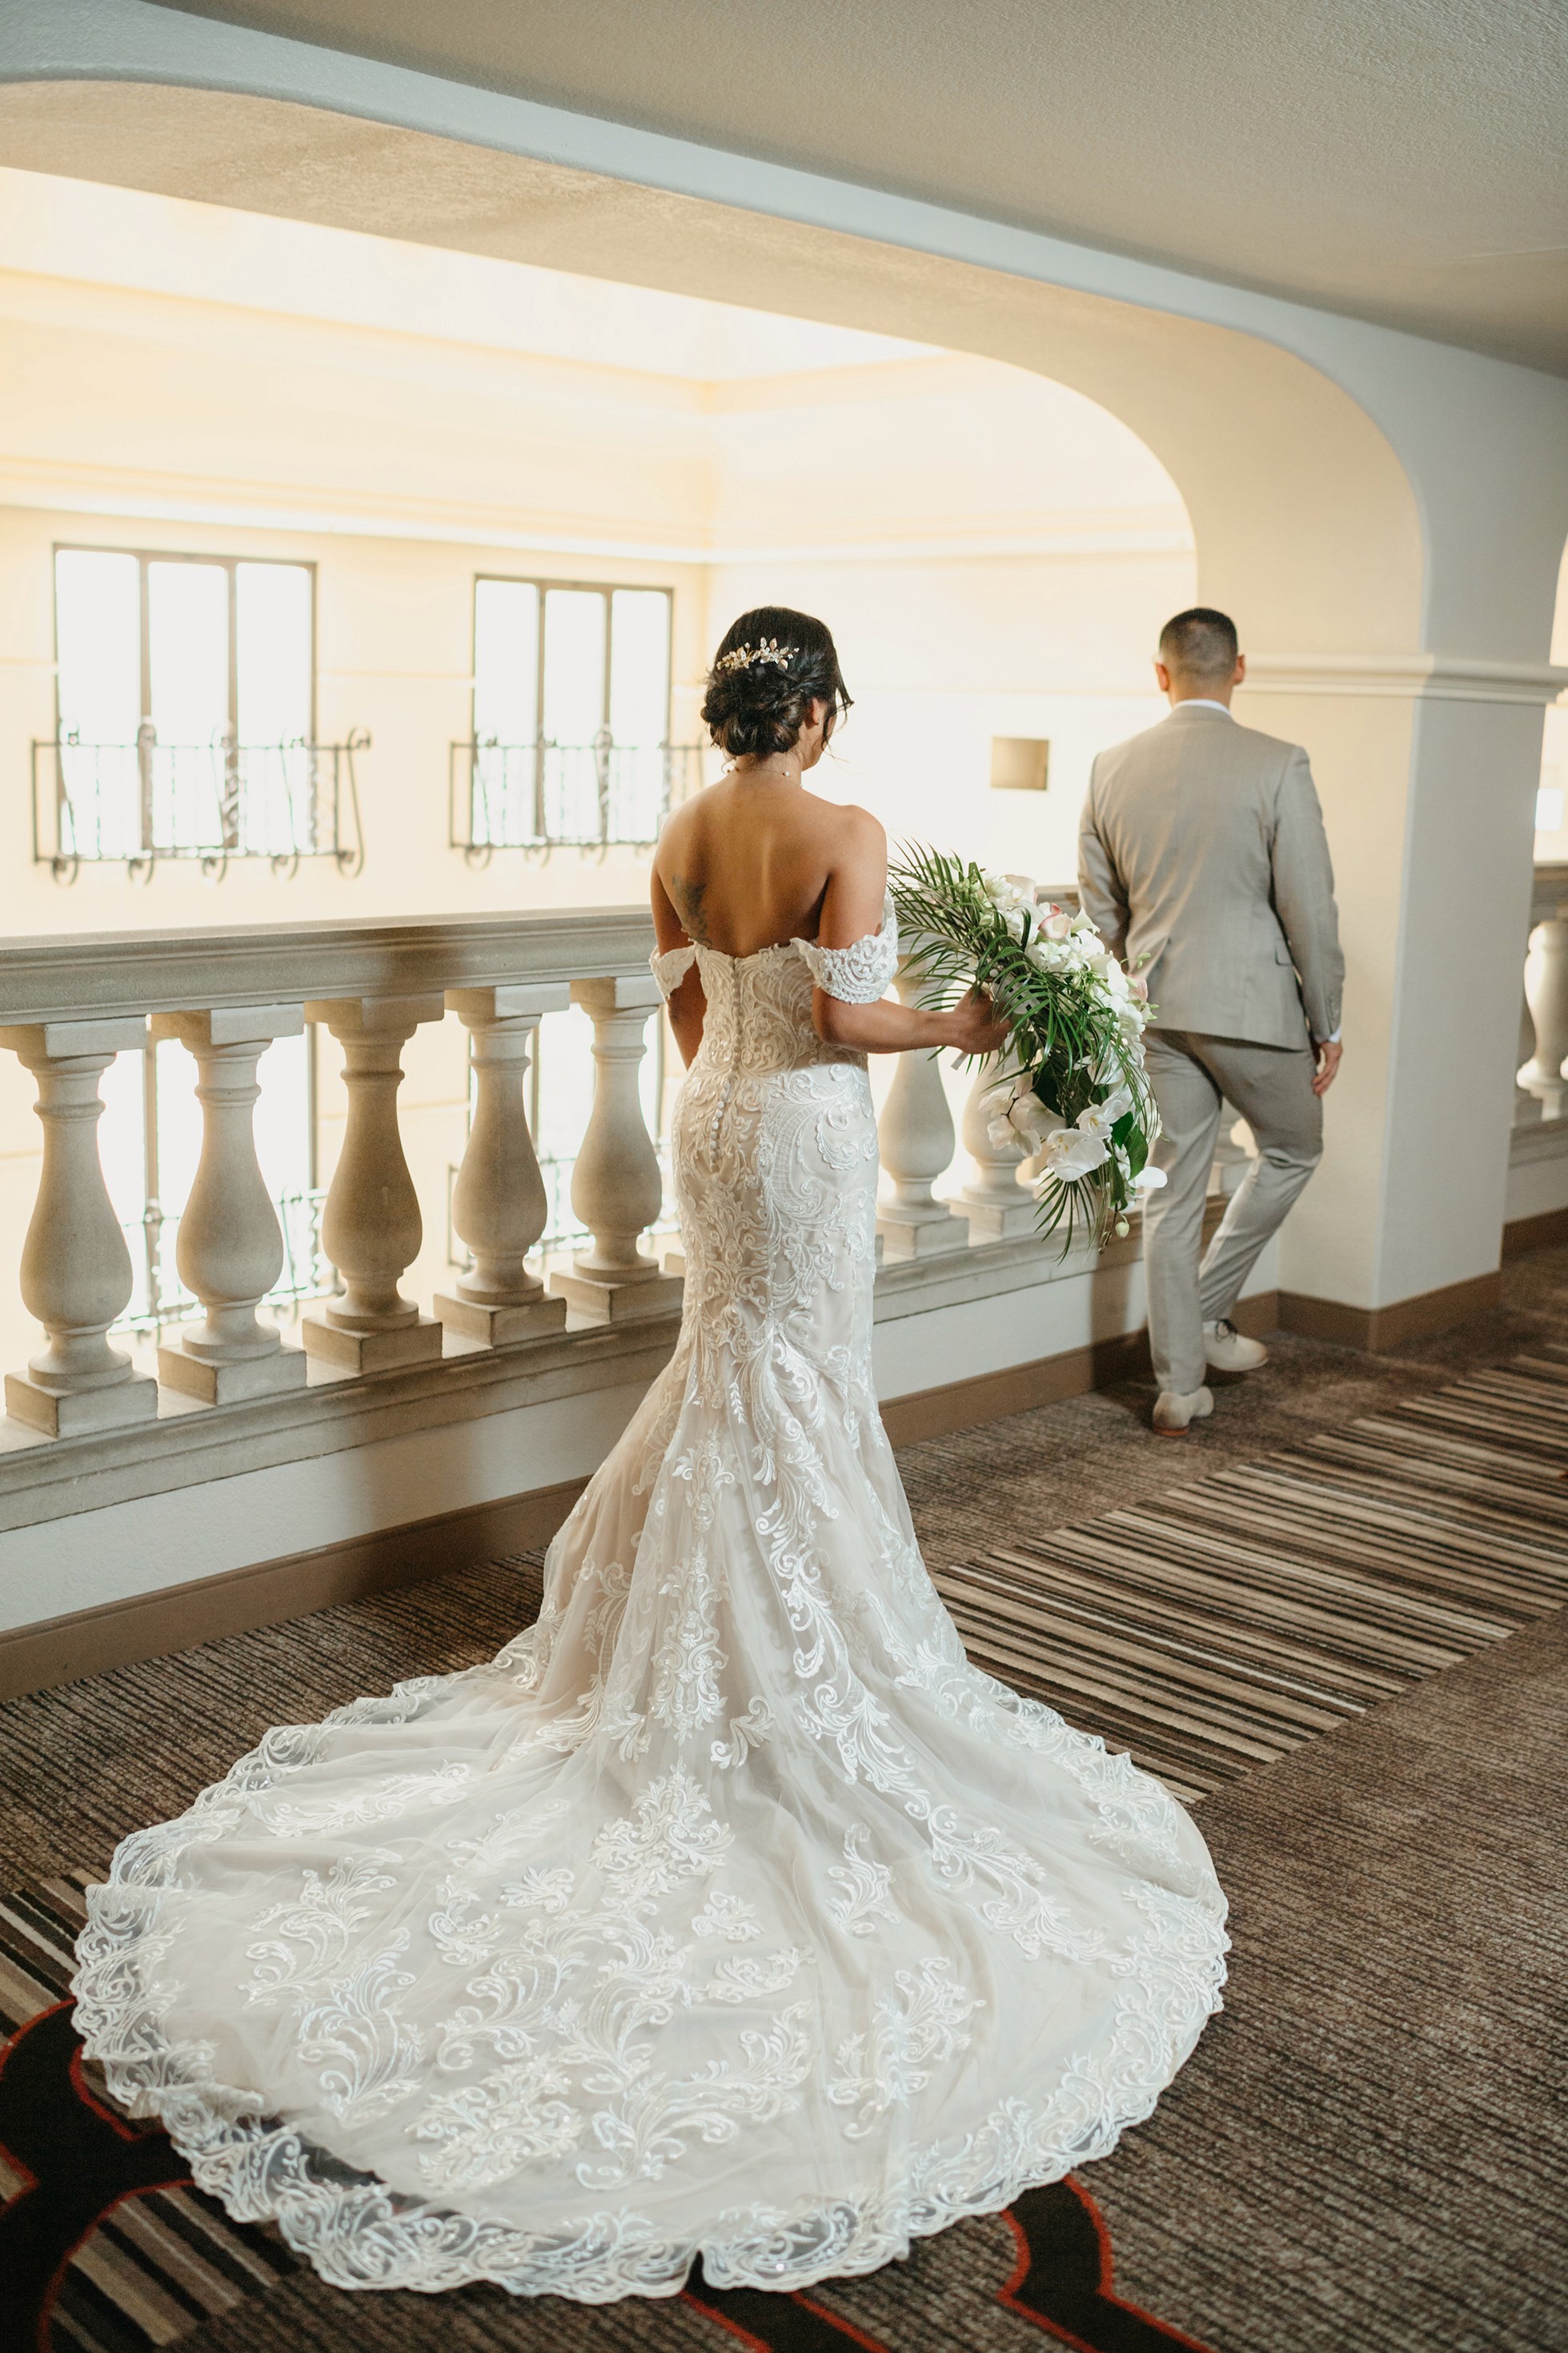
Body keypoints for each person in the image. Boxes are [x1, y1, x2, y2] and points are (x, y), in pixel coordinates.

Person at [73, 606, 1228, 2303]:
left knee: (733, 1369)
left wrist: (781, 1079)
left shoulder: (683, 832)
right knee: (801, 1383)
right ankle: (783, 1675)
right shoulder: (842, 831)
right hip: (810, 1135)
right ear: (819, 709)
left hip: (717, 1127)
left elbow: (701, 1023)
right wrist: (973, 1025)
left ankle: (677, 1642)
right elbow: (847, 1025)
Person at [1078, 607, 1344, 1435]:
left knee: (1172, 1191)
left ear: (1161, 674)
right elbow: (1311, 908)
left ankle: (1178, 1386)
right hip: (1253, 1008)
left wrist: (1142, 970)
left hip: (1158, 1007)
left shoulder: (1110, 766)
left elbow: (1098, 904)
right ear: (1239, 668)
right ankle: (1205, 1315)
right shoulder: (1277, 763)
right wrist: (1326, 1020)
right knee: (1296, 1146)